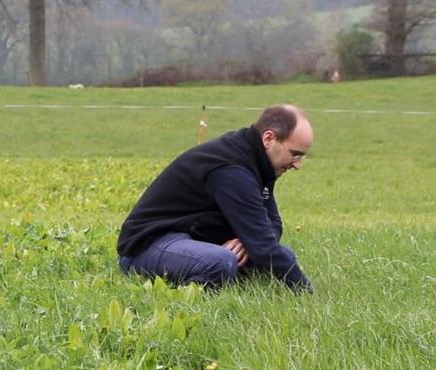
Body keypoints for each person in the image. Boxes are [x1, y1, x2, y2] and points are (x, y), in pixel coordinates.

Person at [117, 104, 314, 293]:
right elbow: (264, 246)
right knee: (221, 262)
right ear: (269, 138)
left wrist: (248, 241)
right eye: (295, 155)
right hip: (148, 246)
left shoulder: (258, 163)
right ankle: (180, 295)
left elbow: (273, 224)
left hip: (192, 239)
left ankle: (211, 275)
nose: (298, 165)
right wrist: (305, 292)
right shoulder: (231, 168)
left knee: (282, 255)